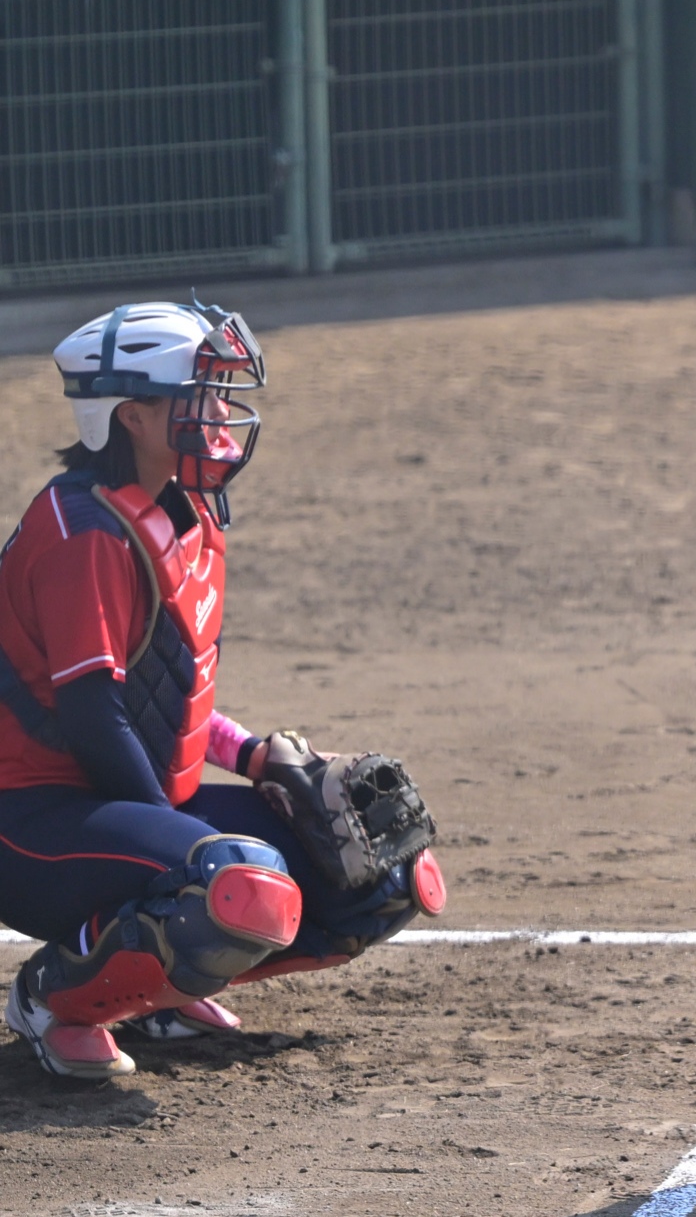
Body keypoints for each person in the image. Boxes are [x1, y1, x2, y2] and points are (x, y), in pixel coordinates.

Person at [0, 302, 445, 1080]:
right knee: (231, 882)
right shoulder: (82, 533)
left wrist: (254, 757)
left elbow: (165, 703)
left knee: (381, 872)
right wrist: (176, 852)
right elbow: (95, 715)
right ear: (133, 416)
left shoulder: (186, 516)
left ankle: (157, 988)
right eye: (197, 395)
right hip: (29, 823)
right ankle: (53, 999)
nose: (217, 413)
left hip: (120, 806)